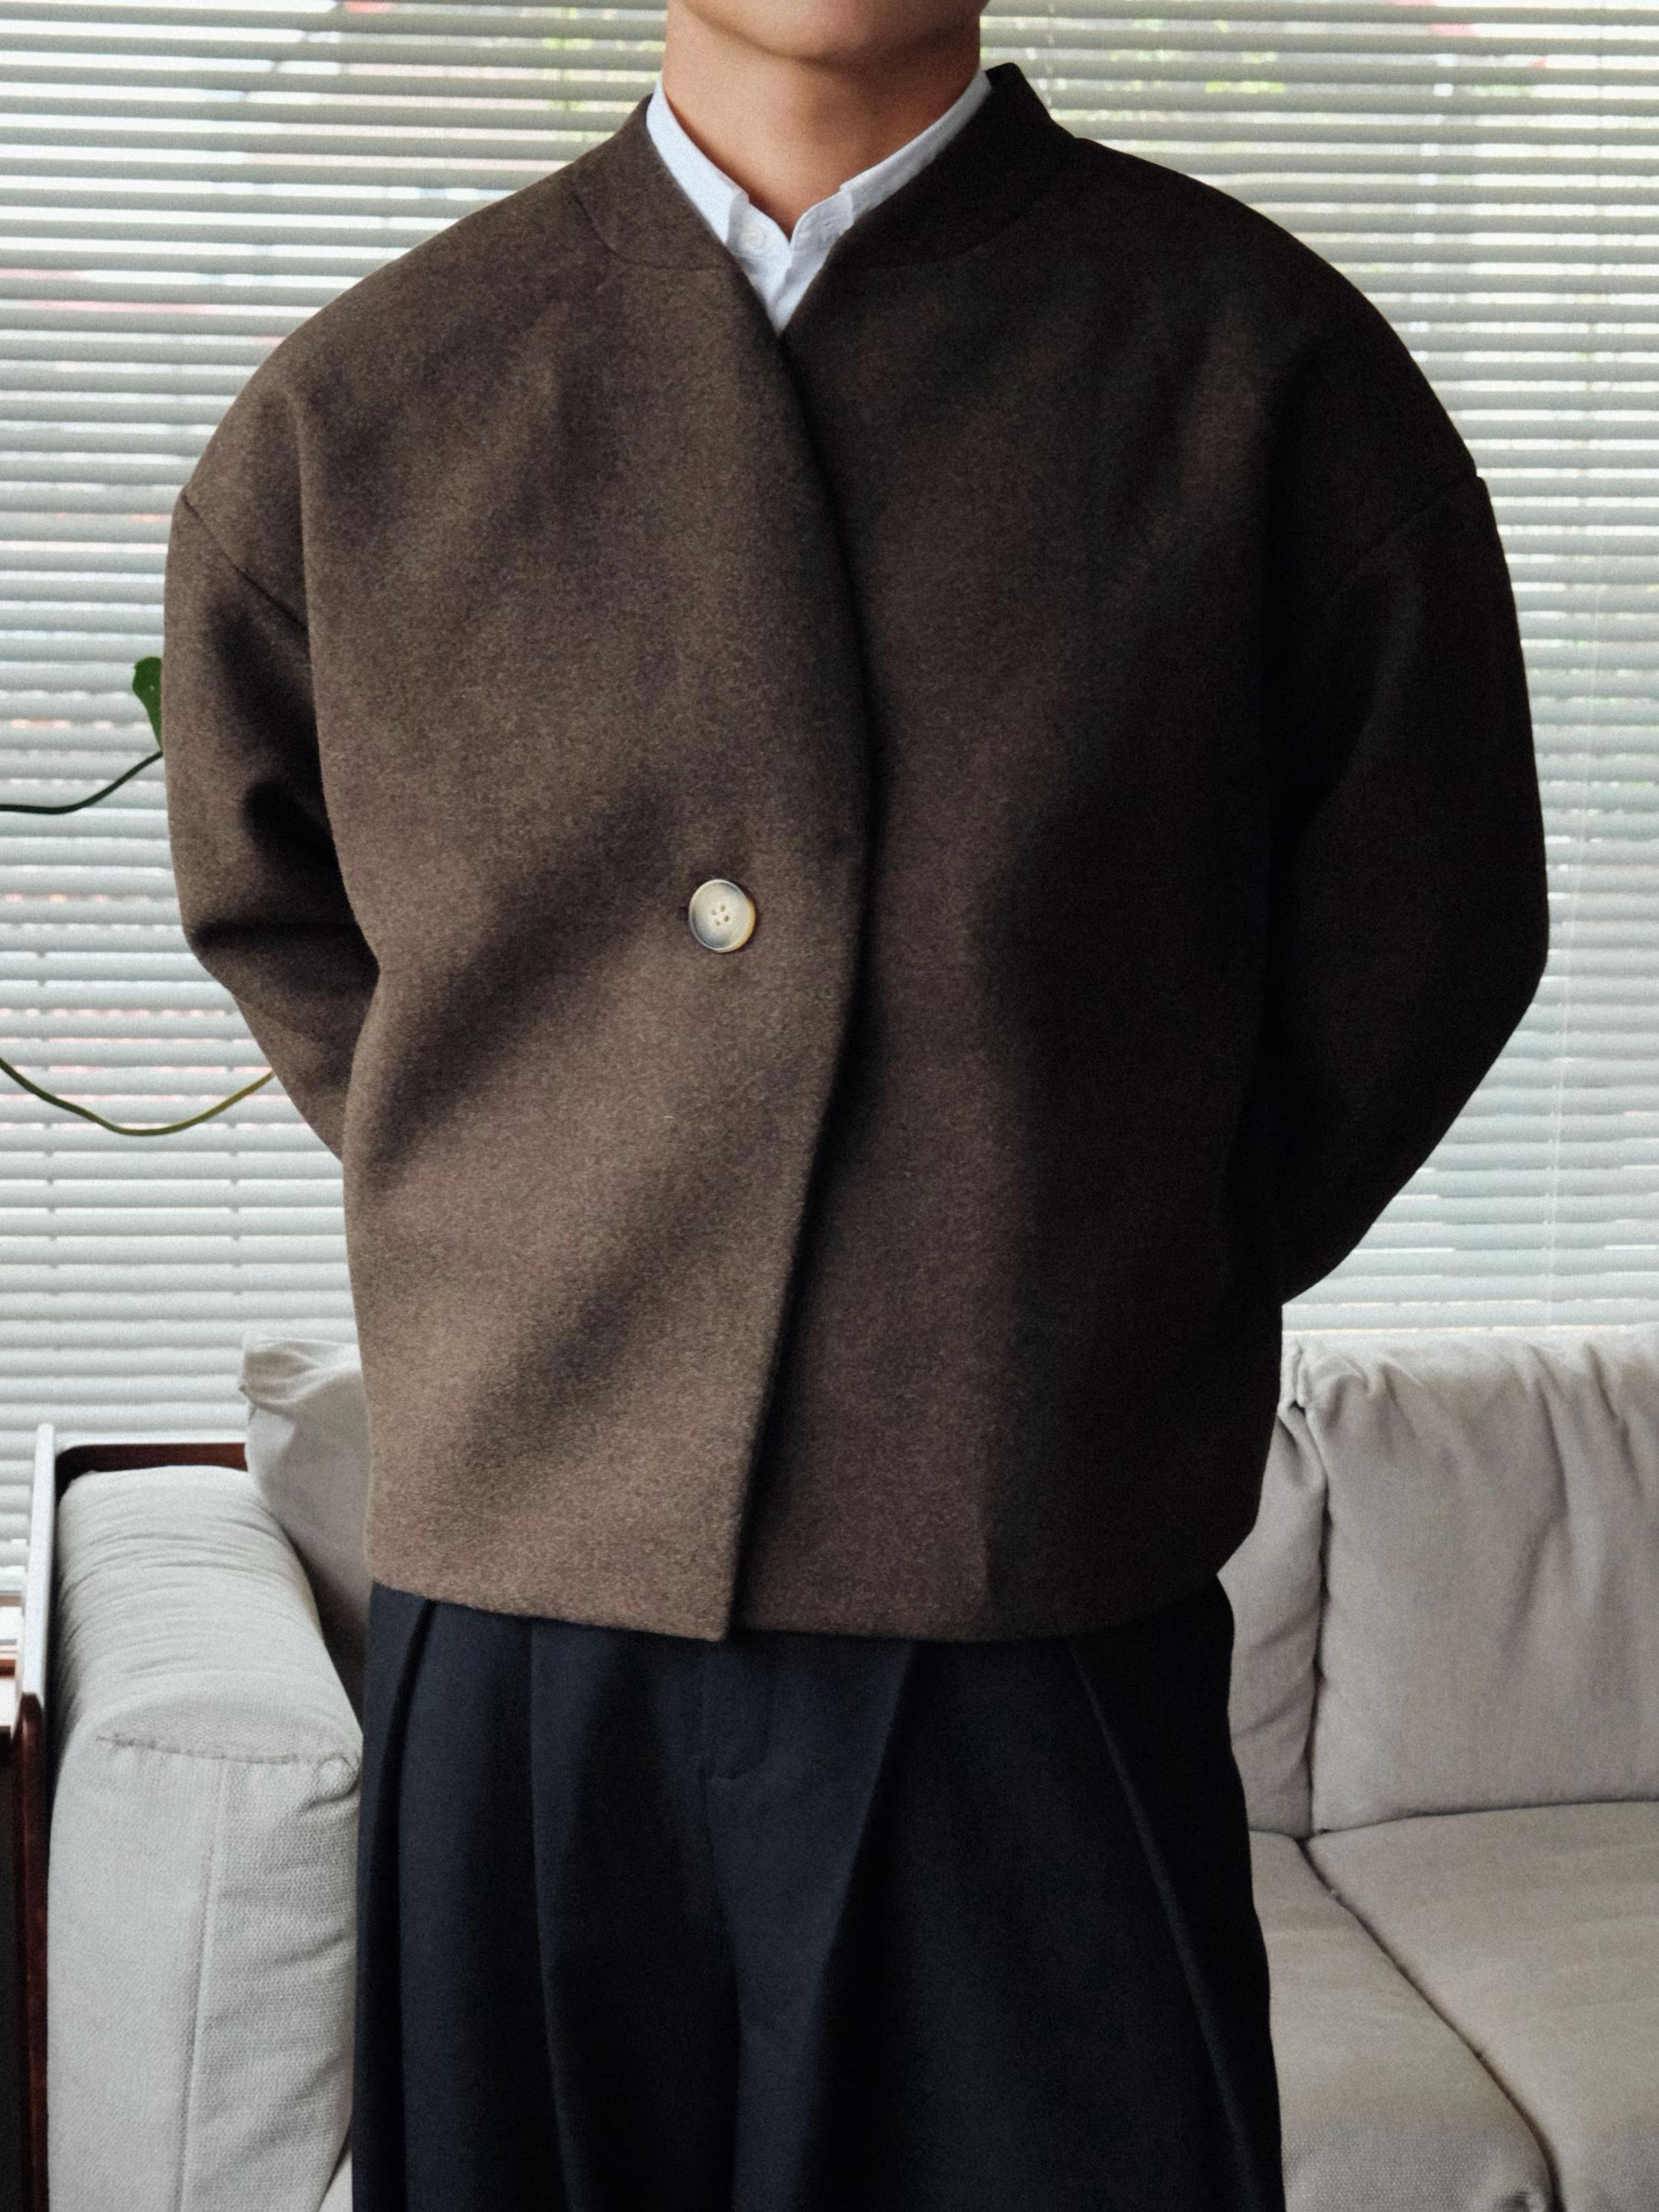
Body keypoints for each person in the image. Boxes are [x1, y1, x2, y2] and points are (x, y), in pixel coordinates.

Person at [157, 0, 1551, 2205]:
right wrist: (557, 1202)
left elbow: (1425, 936)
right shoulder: (367, 412)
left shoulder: (1263, 378)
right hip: (528, 1634)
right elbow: (280, 911)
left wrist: (1088, 1260)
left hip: (1038, 1616)